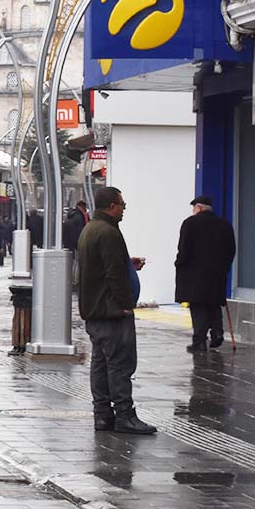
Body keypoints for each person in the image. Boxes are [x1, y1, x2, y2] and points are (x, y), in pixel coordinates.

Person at [78, 186, 156, 435]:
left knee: (100, 364)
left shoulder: (90, 229)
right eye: (122, 205)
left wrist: (127, 264)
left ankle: (102, 415)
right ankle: (125, 415)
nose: (124, 209)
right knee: (120, 364)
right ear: (111, 206)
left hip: (95, 310)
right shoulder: (109, 232)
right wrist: (125, 306)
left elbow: (103, 265)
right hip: (111, 311)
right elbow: (113, 274)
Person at [174, 195, 236, 354]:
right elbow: (231, 250)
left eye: (194, 208)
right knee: (214, 303)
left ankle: (199, 341)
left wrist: (179, 264)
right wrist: (224, 268)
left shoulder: (190, 223)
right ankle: (217, 333)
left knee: (198, 306)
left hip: (194, 275)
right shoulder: (225, 225)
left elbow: (184, 249)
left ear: (199, 208)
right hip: (217, 274)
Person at [63, 200, 90, 286]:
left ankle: (72, 279)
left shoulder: (72, 215)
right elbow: (81, 231)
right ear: (82, 206)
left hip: (70, 242)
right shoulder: (80, 217)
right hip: (77, 243)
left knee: (74, 261)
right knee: (78, 262)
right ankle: (76, 280)